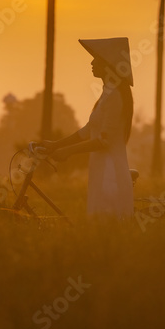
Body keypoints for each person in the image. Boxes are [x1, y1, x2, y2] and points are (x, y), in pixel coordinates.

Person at [34, 37, 135, 219]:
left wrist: (68, 152)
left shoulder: (114, 96)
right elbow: (88, 131)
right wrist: (56, 145)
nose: (92, 62)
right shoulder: (108, 94)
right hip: (102, 173)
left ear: (107, 64)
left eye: (96, 59)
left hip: (110, 178)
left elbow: (103, 141)